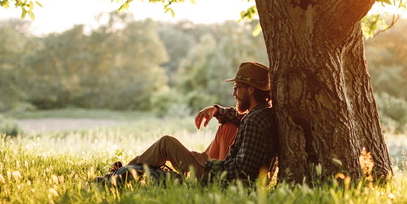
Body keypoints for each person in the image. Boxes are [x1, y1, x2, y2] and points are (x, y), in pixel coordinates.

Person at [105, 62, 278, 184]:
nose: (234, 93)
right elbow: (236, 116)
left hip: (223, 181)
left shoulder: (255, 122)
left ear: (250, 89)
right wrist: (216, 110)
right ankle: (123, 174)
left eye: (237, 87)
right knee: (164, 166)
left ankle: (117, 177)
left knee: (166, 143)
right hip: (224, 175)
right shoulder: (259, 115)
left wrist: (205, 163)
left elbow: (242, 171)